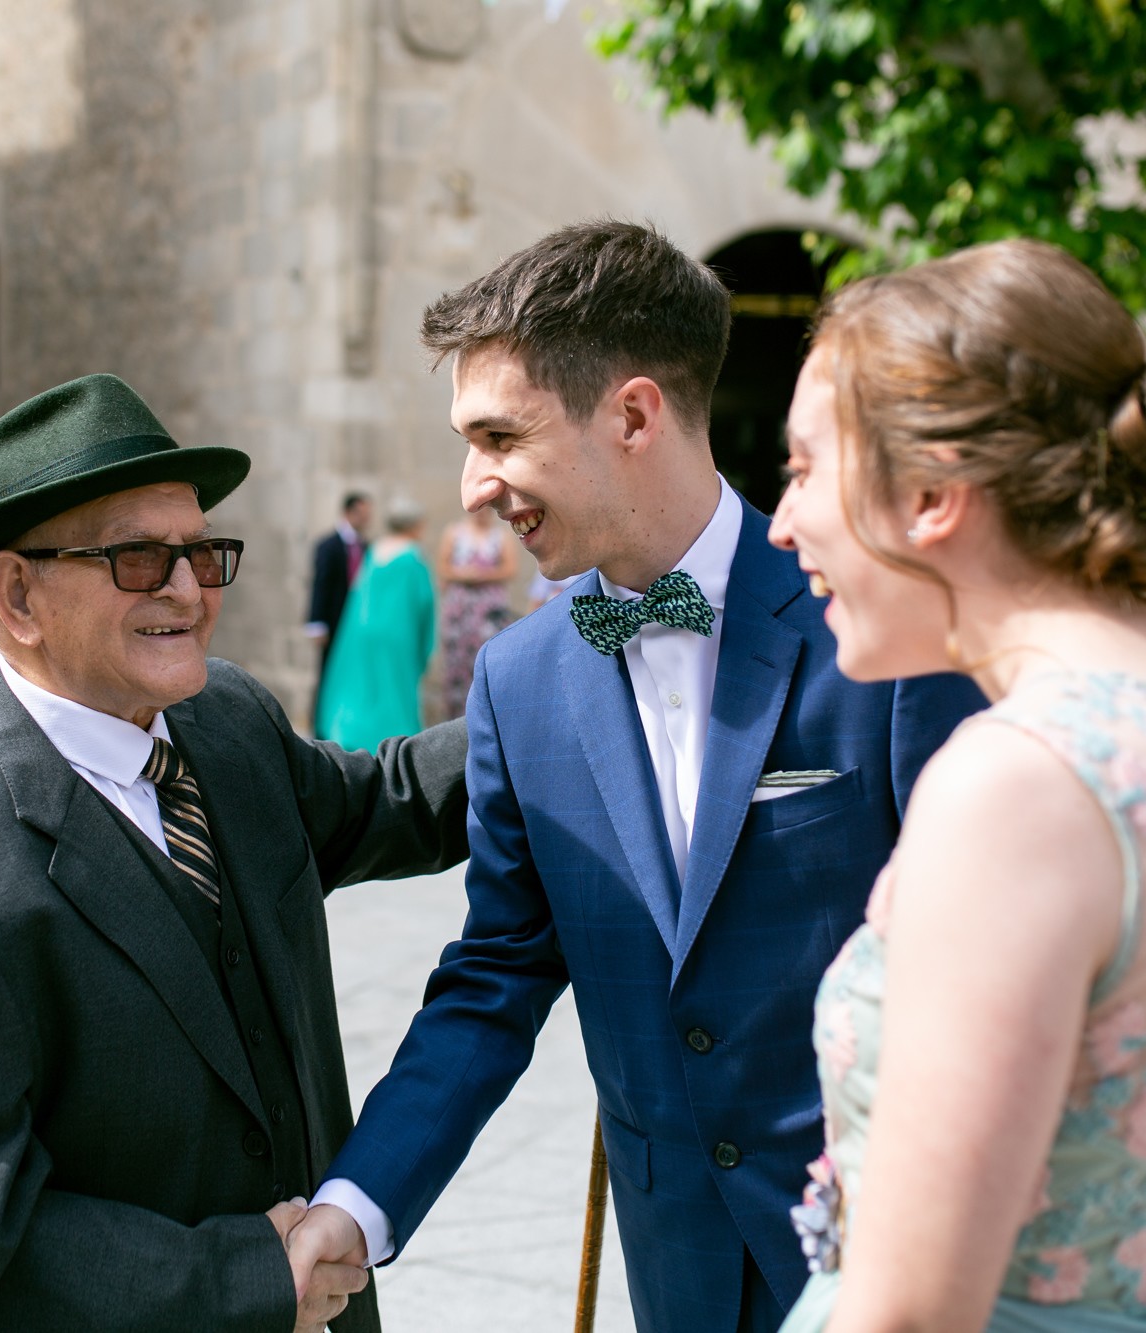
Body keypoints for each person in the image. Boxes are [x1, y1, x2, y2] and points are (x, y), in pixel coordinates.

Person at [289, 221, 987, 1333]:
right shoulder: (517, 680)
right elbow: (496, 974)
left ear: (630, 414)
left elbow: (984, 968)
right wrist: (354, 1207)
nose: (474, 486)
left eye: (499, 435)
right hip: (677, 1275)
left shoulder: (883, 633)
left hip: (900, 1262)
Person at [764, 239, 1146, 1333]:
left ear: (931, 491)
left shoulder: (1015, 786)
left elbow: (910, 1315)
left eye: (800, 468)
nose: (781, 521)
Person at [0, 373, 471, 1333]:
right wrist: (252, 1280)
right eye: (138, 557)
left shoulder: (229, 720)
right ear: (17, 594)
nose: (186, 588)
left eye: (202, 554)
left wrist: (572, 674)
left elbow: (391, 800)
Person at [316, 501, 437, 750]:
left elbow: (358, 593)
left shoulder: (375, 549)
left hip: (362, 633)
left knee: (362, 686)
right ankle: (395, 741)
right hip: (398, 635)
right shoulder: (413, 556)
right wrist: (426, 644)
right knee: (396, 689)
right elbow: (425, 601)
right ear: (414, 526)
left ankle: (355, 735)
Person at [434, 503, 516, 718]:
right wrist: (464, 575)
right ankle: (456, 716)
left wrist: (482, 575)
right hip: (461, 608)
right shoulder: (455, 532)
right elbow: (443, 567)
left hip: (488, 609)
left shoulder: (500, 536)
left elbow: (510, 568)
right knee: (457, 661)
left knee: (487, 658)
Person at [305, 492, 371, 731]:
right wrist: (316, 623)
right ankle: (319, 725)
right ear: (349, 512)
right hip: (332, 622)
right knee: (326, 673)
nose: (367, 519)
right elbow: (320, 584)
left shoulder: (366, 546)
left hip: (354, 625)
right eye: (363, 513)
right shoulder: (328, 545)